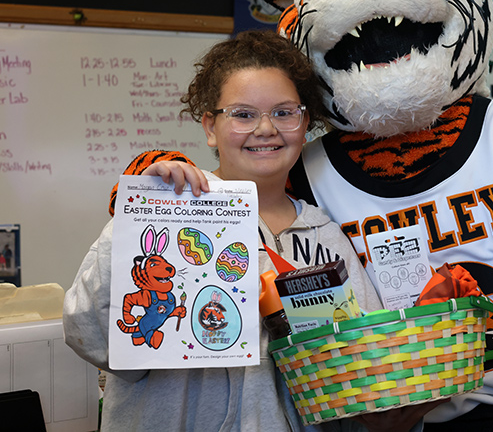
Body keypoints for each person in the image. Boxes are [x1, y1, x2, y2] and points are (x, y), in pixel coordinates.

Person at [63, 30, 385, 432]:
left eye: (285, 112)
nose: (266, 128)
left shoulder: (327, 238)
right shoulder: (169, 211)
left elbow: (365, 367)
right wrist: (140, 219)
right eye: (244, 114)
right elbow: (87, 332)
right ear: (210, 127)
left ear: (306, 124)